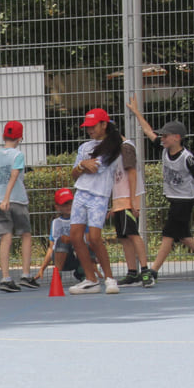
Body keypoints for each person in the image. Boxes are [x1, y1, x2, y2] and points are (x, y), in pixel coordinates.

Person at [125, 97, 194, 283]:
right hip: (174, 199)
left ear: (177, 138)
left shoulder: (186, 157)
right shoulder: (164, 149)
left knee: (168, 235)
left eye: (165, 136)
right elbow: (148, 130)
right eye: (162, 136)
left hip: (184, 201)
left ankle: (153, 271)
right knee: (185, 237)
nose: (162, 138)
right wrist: (137, 112)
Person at [67, 108, 124, 295]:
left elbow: (94, 168)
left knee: (94, 238)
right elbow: (75, 173)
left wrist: (83, 165)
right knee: (75, 237)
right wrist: (82, 165)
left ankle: (109, 278)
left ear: (104, 124)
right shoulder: (84, 147)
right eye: (87, 127)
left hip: (99, 196)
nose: (90, 130)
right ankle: (91, 279)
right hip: (81, 193)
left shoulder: (114, 147)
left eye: (93, 126)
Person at [0, 120, 36, 292]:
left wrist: (1, 198)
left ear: (4, 136)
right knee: (25, 234)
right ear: (20, 138)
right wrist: (7, 197)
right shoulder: (18, 155)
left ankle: (5, 277)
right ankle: (25, 274)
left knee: (5, 237)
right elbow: (14, 175)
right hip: (16, 199)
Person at [108, 125, 154, 287]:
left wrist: (134, 201)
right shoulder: (114, 151)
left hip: (128, 200)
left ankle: (145, 270)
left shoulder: (126, 147)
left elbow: (132, 173)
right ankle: (132, 272)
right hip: (119, 201)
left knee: (133, 234)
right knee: (123, 237)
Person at [34, 187, 99, 285]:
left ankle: (84, 273)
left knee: (82, 242)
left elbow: (90, 242)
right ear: (57, 207)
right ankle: (57, 274)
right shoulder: (56, 223)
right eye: (64, 204)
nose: (68, 206)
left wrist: (94, 262)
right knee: (62, 239)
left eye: (70, 203)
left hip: (80, 255)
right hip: (63, 258)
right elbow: (51, 248)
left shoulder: (82, 220)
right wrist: (42, 268)